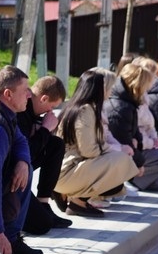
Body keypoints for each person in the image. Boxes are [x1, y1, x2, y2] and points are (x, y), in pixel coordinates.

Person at [0, 66, 43, 254]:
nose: (30, 95)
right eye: (25, 90)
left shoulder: (7, 115)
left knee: (27, 168)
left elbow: (21, 140)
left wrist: (23, 161)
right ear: (8, 94)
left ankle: (12, 237)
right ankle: (6, 239)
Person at [53, 68, 139, 216]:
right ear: (97, 90)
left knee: (119, 165)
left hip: (68, 170)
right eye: (106, 87)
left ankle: (75, 197)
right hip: (67, 172)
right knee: (120, 159)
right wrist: (113, 150)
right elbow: (89, 150)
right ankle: (77, 202)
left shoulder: (83, 108)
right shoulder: (85, 111)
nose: (109, 91)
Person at [104, 60, 158, 192]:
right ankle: (128, 178)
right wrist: (139, 162)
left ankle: (134, 178)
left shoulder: (130, 102)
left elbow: (137, 131)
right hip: (124, 151)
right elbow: (125, 141)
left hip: (137, 146)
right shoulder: (121, 107)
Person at [17, 75, 72, 234]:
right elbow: (26, 153)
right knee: (42, 224)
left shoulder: (32, 112)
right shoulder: (21, 111)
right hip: (14, 173)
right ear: (44, 98)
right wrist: (45, 129)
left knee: (55, 144)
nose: (50, 112)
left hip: (24, 166)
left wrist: (43, 130)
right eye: (51, 107)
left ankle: (43, 202)